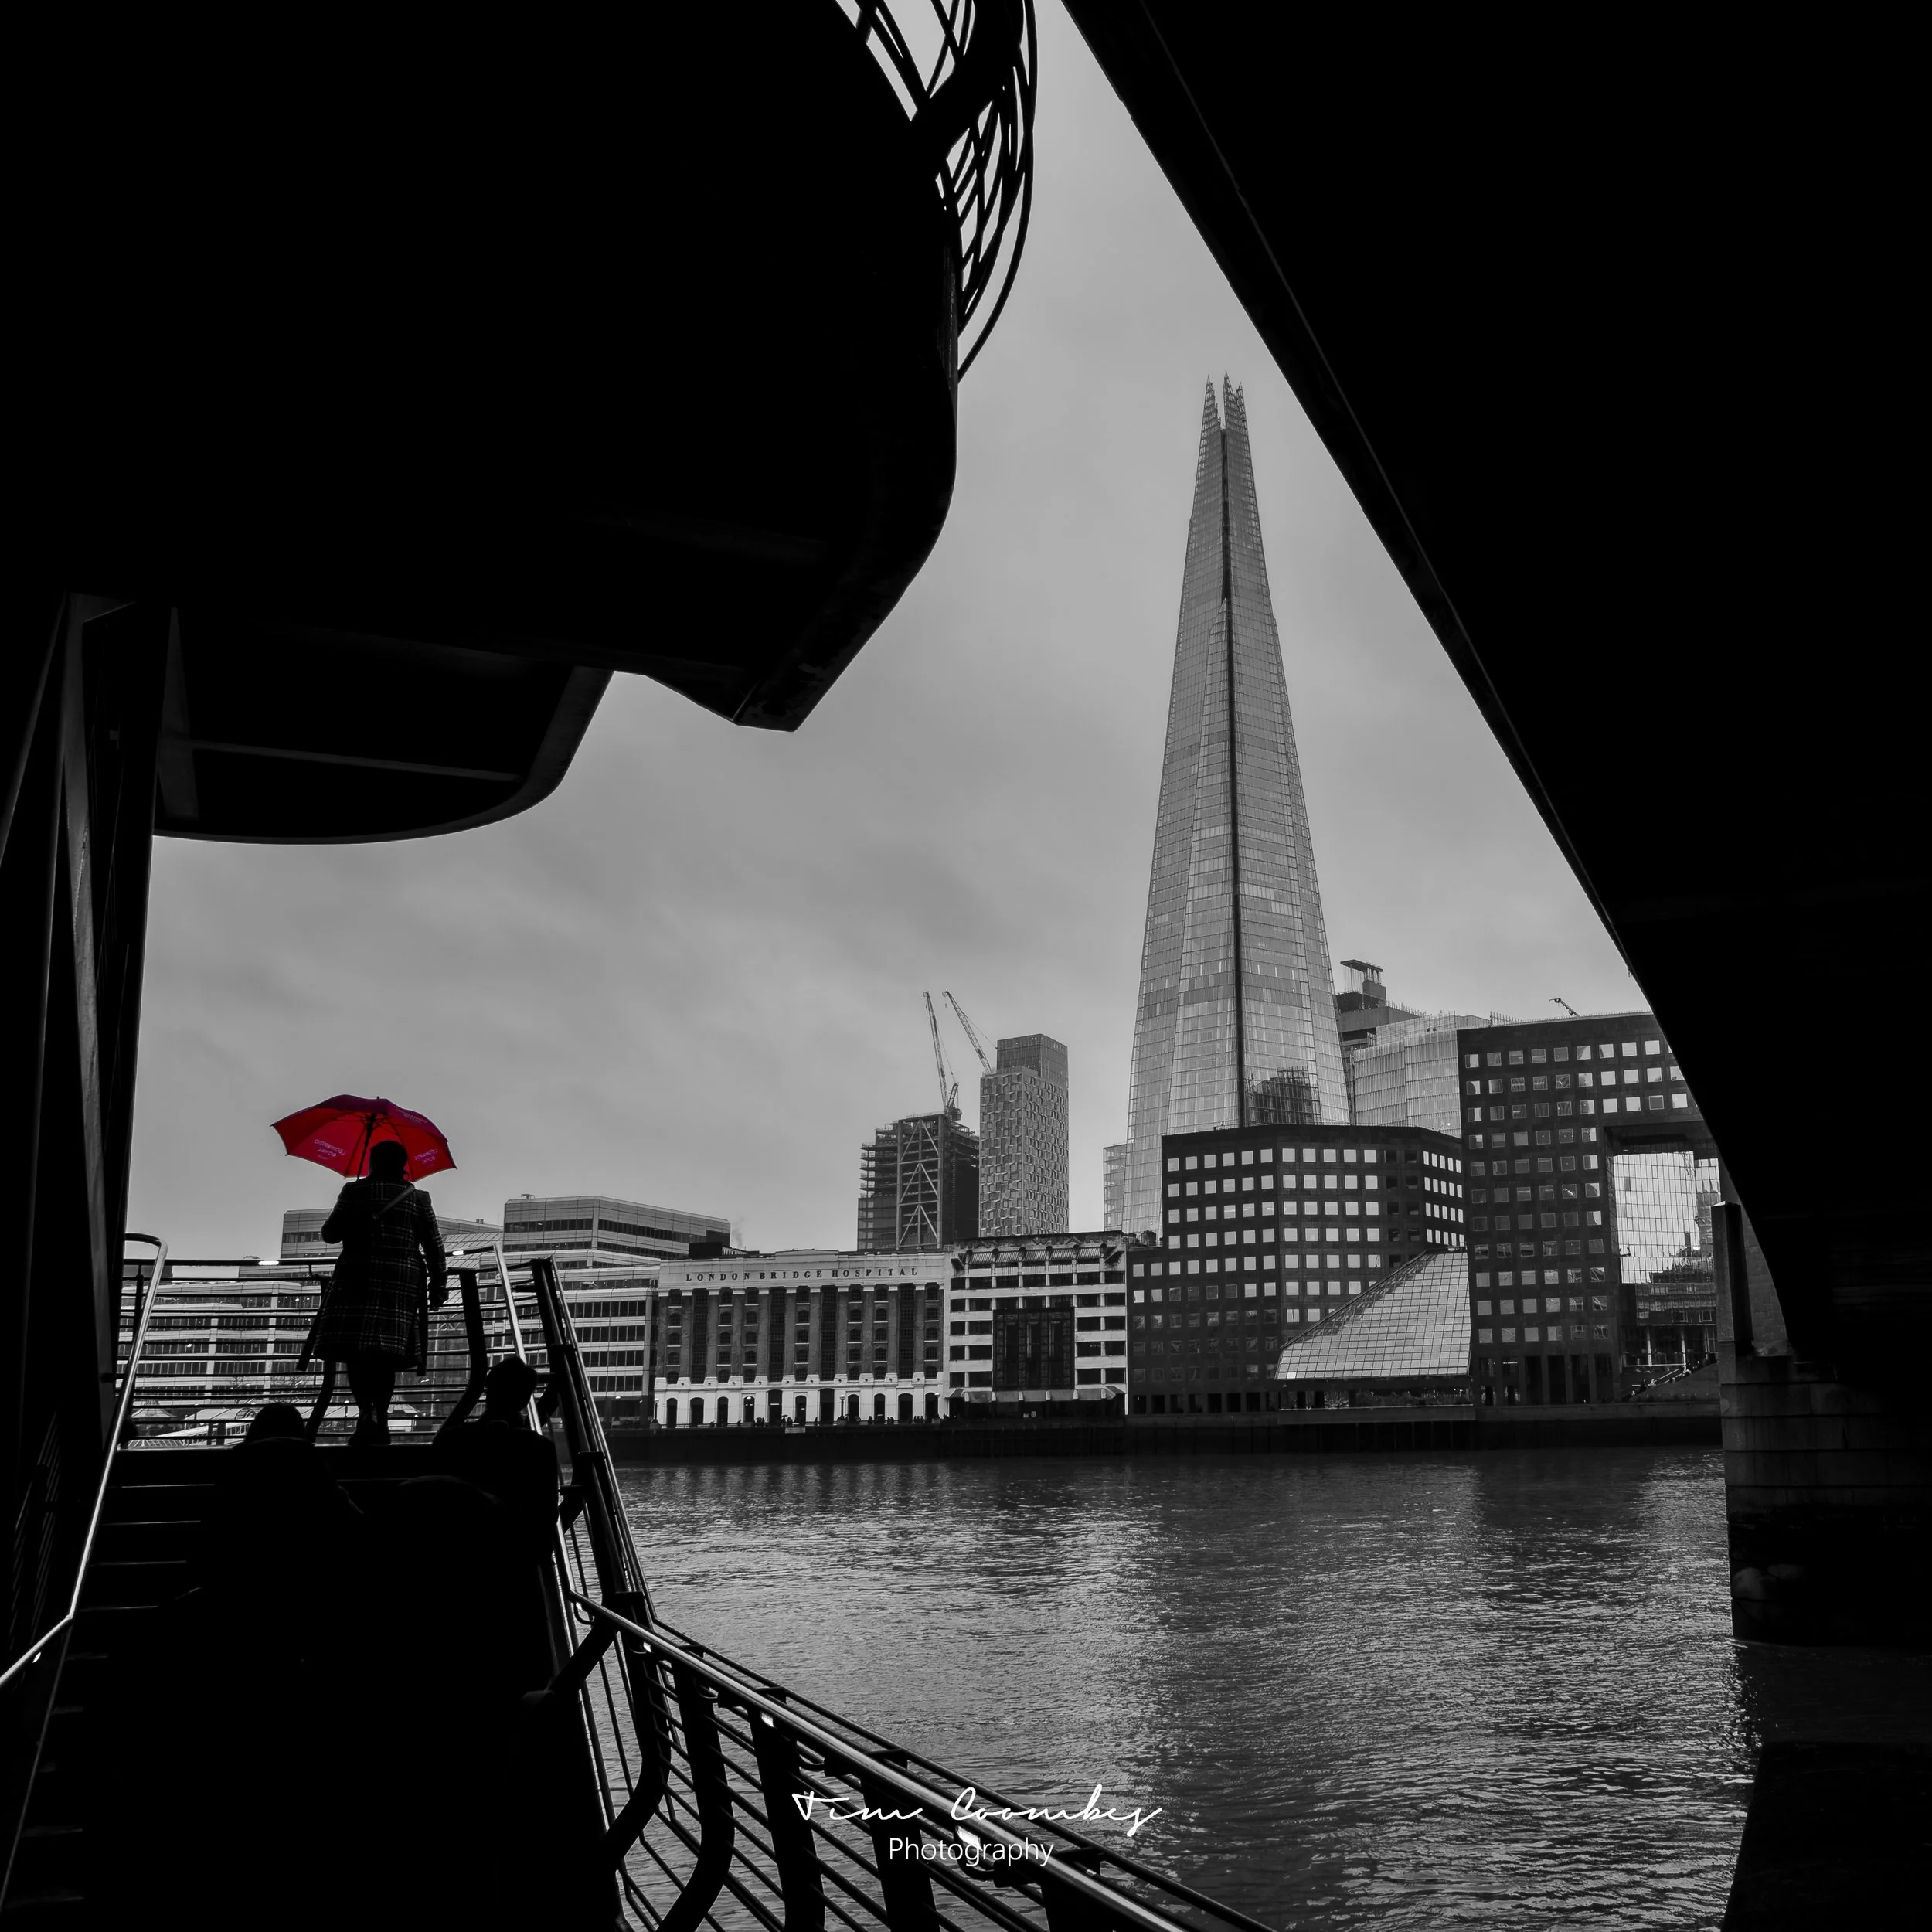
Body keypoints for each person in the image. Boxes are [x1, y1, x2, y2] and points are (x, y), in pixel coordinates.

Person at [301, 1138, 447, 1446]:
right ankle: (380, 1415)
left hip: (358, 1275)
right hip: (401, 1280)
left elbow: (330, 1234)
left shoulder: (355, 1191)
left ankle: (365, 1411)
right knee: (386, 1353)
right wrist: (439, 1284)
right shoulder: (419, 1198)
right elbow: (433, 1245)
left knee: (357, 1351)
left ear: (373, 1163)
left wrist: (356, 1211)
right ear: (403, 1166)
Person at [433, 1357, 562, 1563]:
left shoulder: (451, 1440)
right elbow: (546, 1517)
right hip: (515, 1558)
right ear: (525, 1398)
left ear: (487, 1393)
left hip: (455, 1552)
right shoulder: (540, 1448)